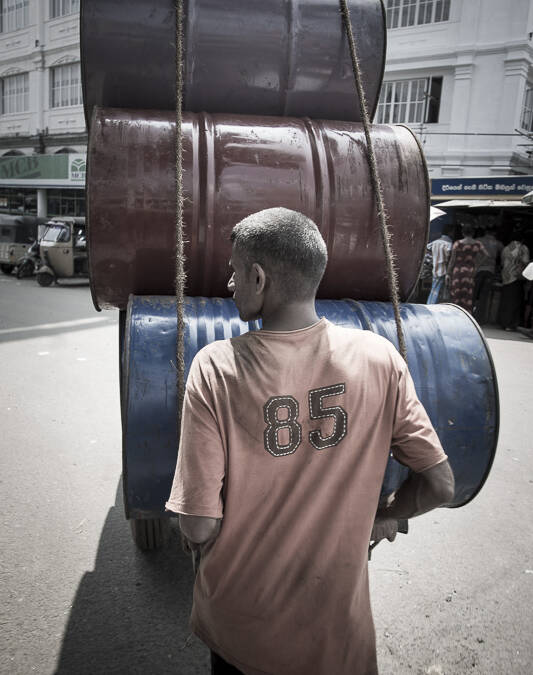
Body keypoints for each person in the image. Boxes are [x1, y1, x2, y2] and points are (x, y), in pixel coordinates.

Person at [166, 207, 455, 675]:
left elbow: (198, 525)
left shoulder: (216, 367)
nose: (229, 285)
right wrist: (380, 517)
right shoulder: (380, 357)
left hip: (244, 631)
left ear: (258, 277)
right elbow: (440, 485)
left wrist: (196, 535)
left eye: (234, 272)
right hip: (338, 639)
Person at [446, 223, 487, 314]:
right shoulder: (477, 244)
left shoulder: (457, 244)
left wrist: (448, 273)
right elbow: (486, 255)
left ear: (462, 232)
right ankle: (466, 315)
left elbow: (452, 260)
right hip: (470, 272)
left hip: (458, 272)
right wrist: (477, 265)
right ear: (473, 233)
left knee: (456, 294)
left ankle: (454, 314)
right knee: (467, 295)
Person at [498, 230, 530, 331]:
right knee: (514, 302)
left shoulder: (506, 248)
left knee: (505, 301)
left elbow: (502, 262)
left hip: (505, 277)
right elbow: (526, 262)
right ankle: (510, 324)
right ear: (522, 238)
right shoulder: (523, 248)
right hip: (516, 277)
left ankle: (503, 323)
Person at [473, 227, 503, 324]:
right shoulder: (498, 243)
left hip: (478, 270)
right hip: (490, 271)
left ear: (485, 232)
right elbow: (502, 258)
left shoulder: (478, 240)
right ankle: (480, 320)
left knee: (473, 295)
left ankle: (469, 316)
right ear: (493, 233)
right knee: (483, 296)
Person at [426, 225, 453, 304]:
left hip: (435, 269)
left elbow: (427, 248)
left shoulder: (436, 242)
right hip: (444, 270)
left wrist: (434, 256)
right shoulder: (449, 243)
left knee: (434, 289)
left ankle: (430, 304)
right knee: (439, 291)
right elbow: (449, 256)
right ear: (450, 232)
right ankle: (432, 305)